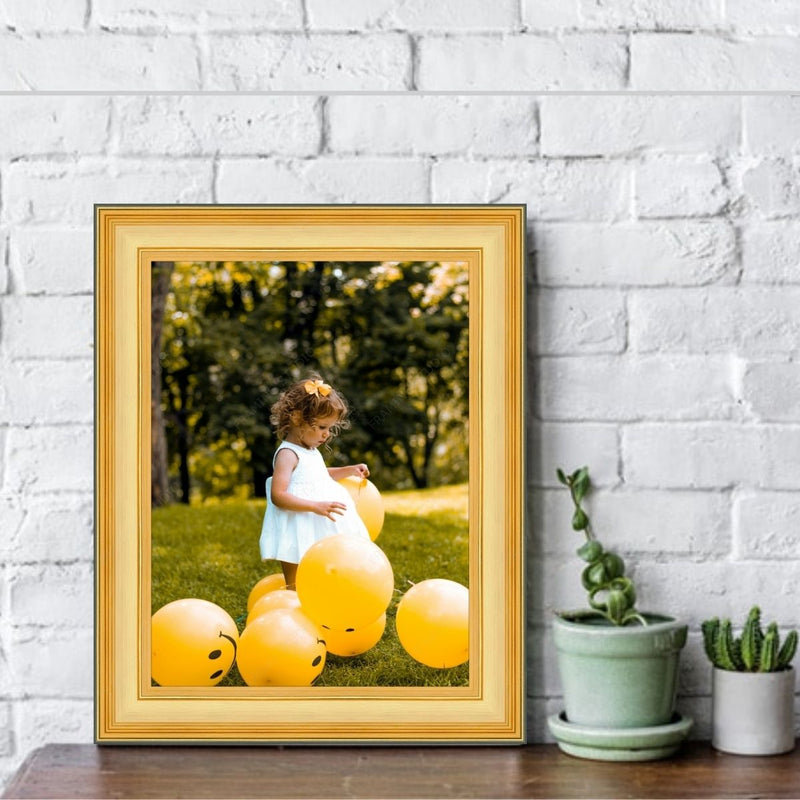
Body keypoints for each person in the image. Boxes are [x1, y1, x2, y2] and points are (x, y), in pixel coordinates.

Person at [259, 376, 370, 588]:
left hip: (316, 521)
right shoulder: (287, 454)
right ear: (297, 419)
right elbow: (278, 495)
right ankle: (292, 599)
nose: (327, 434)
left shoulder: (310, 450)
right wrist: (314, 506)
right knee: (296, 581)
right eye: (321, 427)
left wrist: (349, 470)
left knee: (323, 573)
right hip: (297, 523)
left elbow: (317, 476)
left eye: (329, 428)